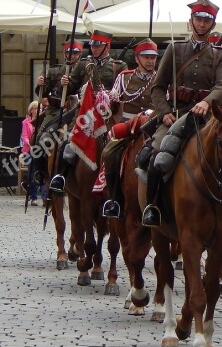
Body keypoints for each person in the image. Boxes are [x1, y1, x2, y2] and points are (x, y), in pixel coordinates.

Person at [141, 0, 222, 227]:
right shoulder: (176, 49)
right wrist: (163, 113)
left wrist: (207, 102)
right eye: (198, 19)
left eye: (206, 20)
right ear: (190, 22)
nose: (201, 24)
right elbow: (158, 87)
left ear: (212, 25)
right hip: (176, 114)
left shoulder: (220, 55)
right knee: (156, 152)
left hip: (207, 118)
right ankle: (152, 206)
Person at [50, 31, 128, 194]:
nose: (94, 49)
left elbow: (122, 92)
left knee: (120, 147)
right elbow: (71, 87)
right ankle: (61, 177)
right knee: (67, 143)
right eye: (92, 45)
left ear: (107, 46)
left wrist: (107, 96)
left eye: (98, 45)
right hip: (84, 114)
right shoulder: (82, 64)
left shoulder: (119, 66)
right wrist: (66, 83)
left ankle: (119, 185)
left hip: (108, 115)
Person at [102, 39, 159, 219]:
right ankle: (114, 201)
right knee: (109, 153)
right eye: (146, 57)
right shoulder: (125, 77)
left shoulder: (161, 77)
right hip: (129, 127)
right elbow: (114, 103)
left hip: (153, 127)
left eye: (153, 57)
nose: (150, 61)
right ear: (137, 58)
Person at [35, 41, 82, 189]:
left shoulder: (84, 71)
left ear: (80, 55)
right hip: (56, 111)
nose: (72, 56)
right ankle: (40, 172)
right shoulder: (55, 71)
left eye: (75, 53)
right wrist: (40, 84)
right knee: (42, 138)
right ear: (64, 54)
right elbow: (41, 93)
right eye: (69, 53)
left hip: (78, 110)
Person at [20, 101, 47, 206]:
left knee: (41, 172)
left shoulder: (43, 121)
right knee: (31, 174)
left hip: (40, 150)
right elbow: (24, 136)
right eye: (36, 109)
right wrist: (29, 144)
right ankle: (34, 197)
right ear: (31, 110)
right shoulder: (25, 122)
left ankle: (44, 197)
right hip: (29, 150)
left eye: (40, 109)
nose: (38, 111)